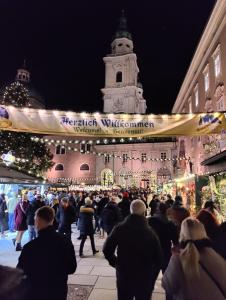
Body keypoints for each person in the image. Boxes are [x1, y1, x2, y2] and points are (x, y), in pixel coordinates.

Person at [103, 199, 162, 300]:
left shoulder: (120, 228)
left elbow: (107, 249)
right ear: (144, 213)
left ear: (131, 211)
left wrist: (116, 263)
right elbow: (158, 259)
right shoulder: (150, 233)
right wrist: (152, 276)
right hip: (144, 276)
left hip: (124, 273)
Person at [17, 206, 77, 300]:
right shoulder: (65, 241)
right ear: (52, 220)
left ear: (37, 220)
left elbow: (20, 273)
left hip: (36, 293)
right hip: (58, 291)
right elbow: (72, 268)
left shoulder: (30, 247)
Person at [162, 218, 226, 300]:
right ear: (203, 232)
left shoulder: (178, 259)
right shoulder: (215, 256)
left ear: (182, 234)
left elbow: (168, 285)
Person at [148, 202, 178, 272]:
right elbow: (175, 241)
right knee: (166, 274)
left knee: (151, 277)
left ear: (157, 209)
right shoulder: (170, 224)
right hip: (166, 251)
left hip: (152, 252)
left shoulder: (150, 221)